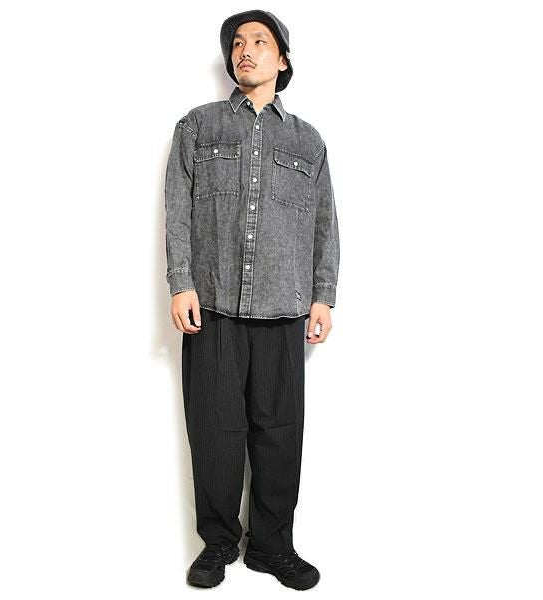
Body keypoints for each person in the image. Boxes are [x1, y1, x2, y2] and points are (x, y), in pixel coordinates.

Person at [164, 9, 340, 590]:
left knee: (280, 432)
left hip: (285, 308)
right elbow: (178, 211)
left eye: (260, 42)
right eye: (237, 43)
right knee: (214, 431)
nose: (245, 50)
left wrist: (323, 295)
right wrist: (181, 282)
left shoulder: (308, 141)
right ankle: (218, 543)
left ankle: (271, 546)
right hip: (212, 306)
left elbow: (324, 224)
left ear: (282, 59)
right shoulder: (198, 127)